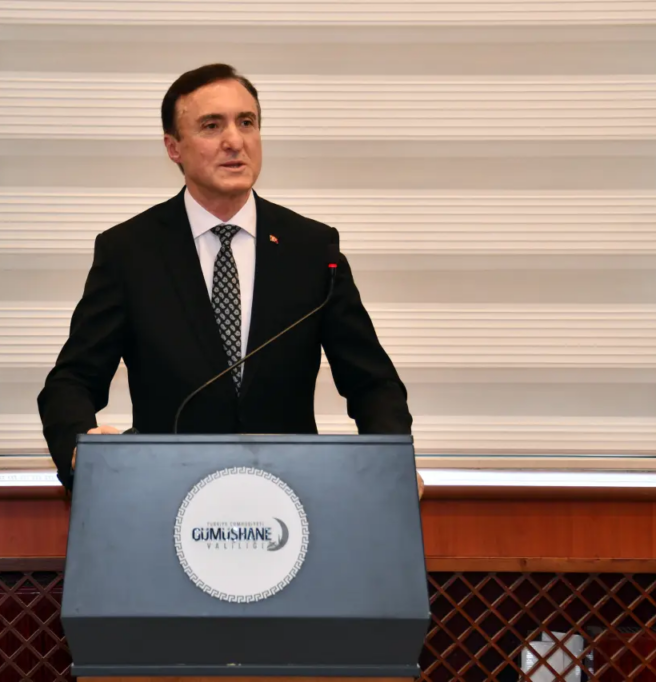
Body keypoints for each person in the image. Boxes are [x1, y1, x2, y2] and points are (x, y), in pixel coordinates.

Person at [37, 63, 418, 495]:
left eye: (247, 122)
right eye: (211, 125)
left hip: (292, 496)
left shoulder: (312, 249)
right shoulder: (129, 252)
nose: (234, 140)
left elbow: (372, 383)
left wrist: (390, 465)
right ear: (173, 147)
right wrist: (80, 450)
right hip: (167, 495)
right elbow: (72, 381)